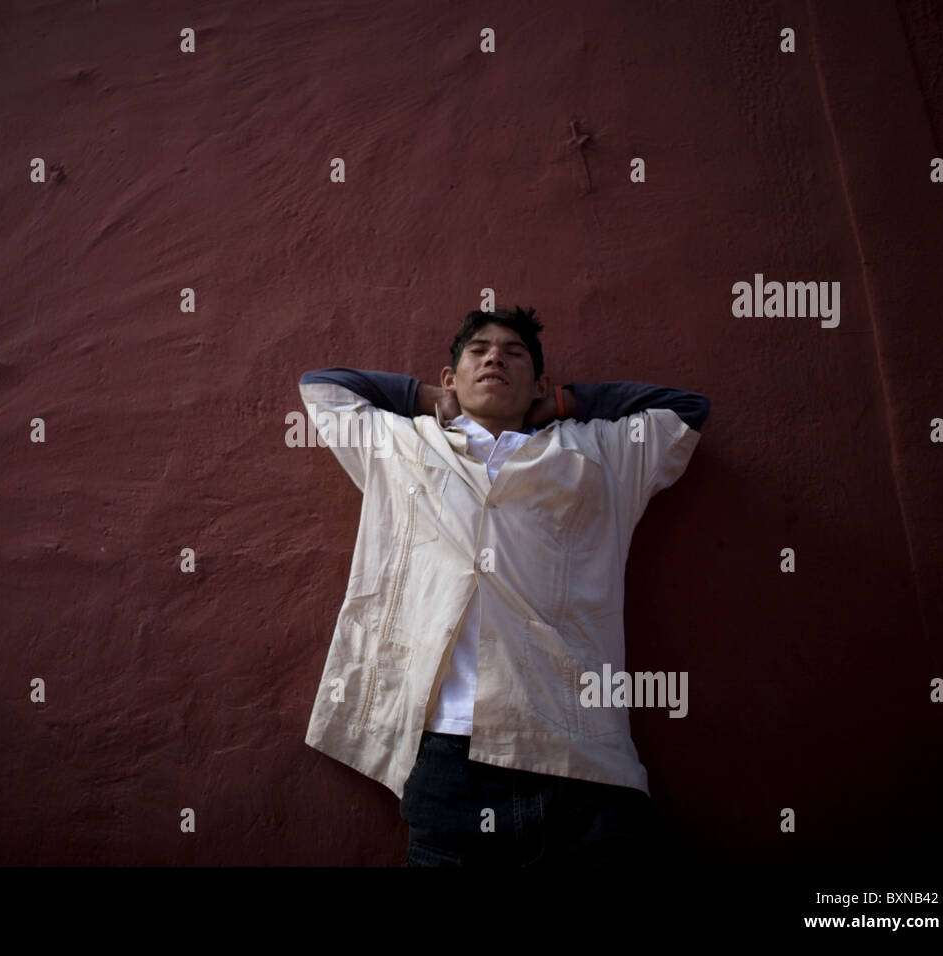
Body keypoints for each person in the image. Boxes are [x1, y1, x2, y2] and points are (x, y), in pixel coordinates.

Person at [297, 305, 710, 866]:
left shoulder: (595, 453)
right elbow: (324, 388)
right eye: (479, 351)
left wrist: (563, 403)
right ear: (452, 377)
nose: (495, 357)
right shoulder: (402, 447)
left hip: (582, 764)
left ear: (538, 383)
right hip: (448, 759)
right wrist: (427, 399)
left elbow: (686, 409)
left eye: (514, 353)